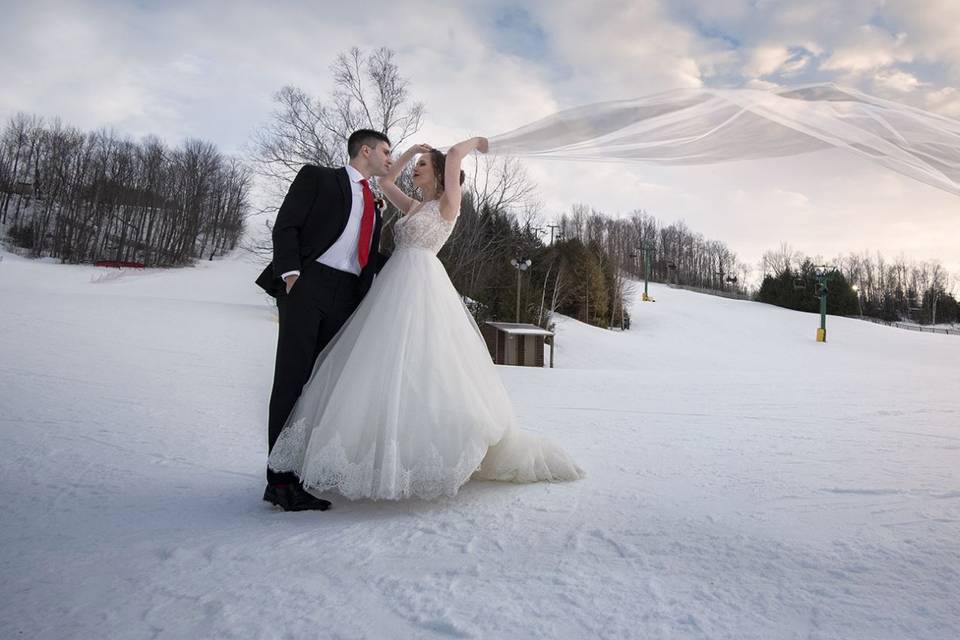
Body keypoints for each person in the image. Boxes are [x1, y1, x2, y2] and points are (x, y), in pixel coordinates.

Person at [267, 136, 583, 501]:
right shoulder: (414, 207)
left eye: (422, 167)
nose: (414, 170)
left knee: (422, 372)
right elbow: (386, 182)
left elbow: (451, 156)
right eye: (415, 166)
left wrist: (474, 143)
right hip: (389, 288)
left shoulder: (449, 205)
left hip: (421, 287)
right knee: (375, 370)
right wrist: (408, 154)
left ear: (439, 176)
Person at [255, 129, 393, 511]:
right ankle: (280, 482)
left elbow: (362, 253)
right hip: (307, 285)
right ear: (364, 151)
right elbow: (287, 225)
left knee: (323, 386)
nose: (388, 158)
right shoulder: (317, 177)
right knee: (292, 380)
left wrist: (412, 263)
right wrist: (290, 273)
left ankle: (303, 471)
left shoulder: (375, 200)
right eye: (385, 151)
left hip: (347, 296)